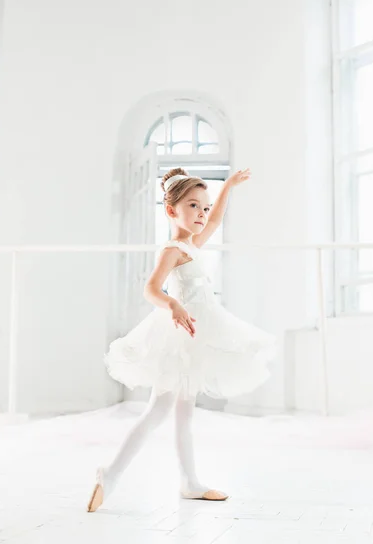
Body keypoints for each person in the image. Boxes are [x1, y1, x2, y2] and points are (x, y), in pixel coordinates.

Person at [87, 167, 276, 512]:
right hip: (178, 335)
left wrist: (229, 186)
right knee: (158, 410)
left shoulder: (194, 244)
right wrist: (172, 304)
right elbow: (151, 289)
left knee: (184, 412)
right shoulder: (173, 249)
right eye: (193, 206)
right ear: (172, 210)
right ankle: (111, 473)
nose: (202, 214)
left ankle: (189, 482)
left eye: (203, 207)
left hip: (197, 331)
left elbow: (216, 221)